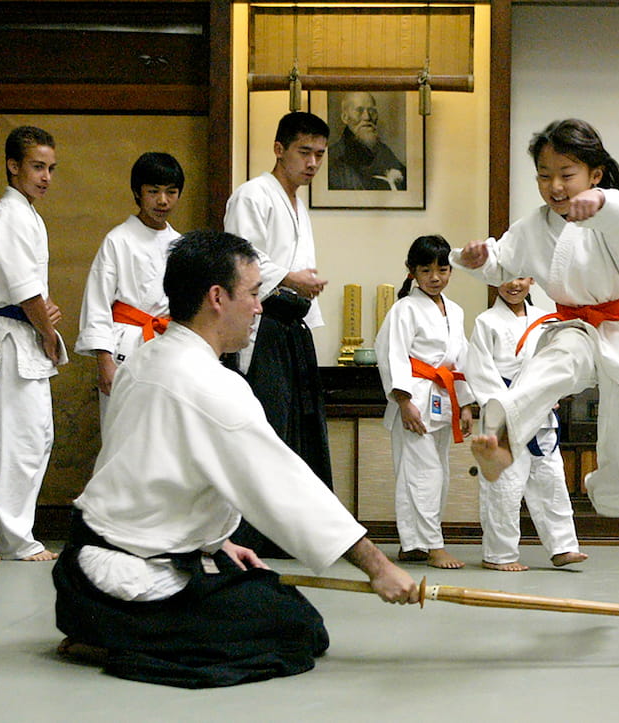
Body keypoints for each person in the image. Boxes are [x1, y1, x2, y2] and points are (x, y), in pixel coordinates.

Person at [52, 229, 419, 689]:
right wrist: (379, 568)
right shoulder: (210, 386)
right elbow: (287, 489)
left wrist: (216, 542)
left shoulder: (145, 359)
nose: (260, 306)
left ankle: (101, 629)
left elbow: (149, 476)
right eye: (253, 293)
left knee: (262, 584)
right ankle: (125, 639)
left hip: (76, 579)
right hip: (127, 582)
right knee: (298, 629)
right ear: (217, 297)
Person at [452, 119, 619, 553]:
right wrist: (474, 257)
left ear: (595, 173)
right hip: (576, 325)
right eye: (543, 175)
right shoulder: (533, 228)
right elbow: (500, 263)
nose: (554, 186)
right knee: (549, 367)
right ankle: (502, 443)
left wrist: (601, 201)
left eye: (566, 174)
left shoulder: (612, 216)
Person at [223, 111, 333, 557]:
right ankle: (252, 536)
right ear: (279, 149)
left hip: (292, 325)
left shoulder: (297, 203)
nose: (311, 163)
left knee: (298, 428)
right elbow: (240, 261)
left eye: (320, 155)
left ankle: (292, 533)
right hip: (261, 323)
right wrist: (290, 277)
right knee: (266, 427)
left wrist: (300, 287)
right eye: (304, 152)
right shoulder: (252, 195)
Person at [0, 125, 65, 562]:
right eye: (37, 166)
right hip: (9, 335)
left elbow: (32, 292)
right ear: (13, 166)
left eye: (50, 168)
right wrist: (46, 327)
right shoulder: (9, 216)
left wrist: (44, 318)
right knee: (14, 440)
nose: (45, 176)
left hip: (21, 331)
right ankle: (13, 538)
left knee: (36, 437)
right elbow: (24, 290)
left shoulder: (27, 214)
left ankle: (17, 532)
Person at [464, 277, 587, 571]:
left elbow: (560, 363)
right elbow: (479, 370)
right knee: (505, 485)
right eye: (506, 277)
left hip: (541, 412)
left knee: (552, 479)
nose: (514, 284)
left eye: (521, 277)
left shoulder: (548, 319)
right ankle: (500, 554)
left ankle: (563, 547)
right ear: (495, 279)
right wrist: (511, 404)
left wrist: (550, 392)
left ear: (531, 279)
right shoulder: (486, 321)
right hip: (503, 412)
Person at [375, 235, 474, 570]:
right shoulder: (404, 309)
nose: (435, 277)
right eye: (426, 270)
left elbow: (462, 358)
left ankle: (413, 543)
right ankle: (433, 545)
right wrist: (403, 402)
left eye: (442, 269)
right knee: (423, 474)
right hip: (414, 398)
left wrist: (467, 403)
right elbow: (391, 356)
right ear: (411, 271)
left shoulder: (456, 311)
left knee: (435, 473)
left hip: (444, 397)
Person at [75, 152, 184, 427]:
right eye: (153, 191)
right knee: (122, 430)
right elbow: (97, 304)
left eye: (171, 192)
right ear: (138, 192)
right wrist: (104, 361)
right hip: (126, 347)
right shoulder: (117, 240)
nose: (162, 200)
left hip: (168, 344)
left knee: (165, 431)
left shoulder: (181, 245)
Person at [328, 91, 407, 191]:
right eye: (359, 111)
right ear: (345, 118)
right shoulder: (332, 158)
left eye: (371, 111)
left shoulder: (385, 153)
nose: (367, 117)